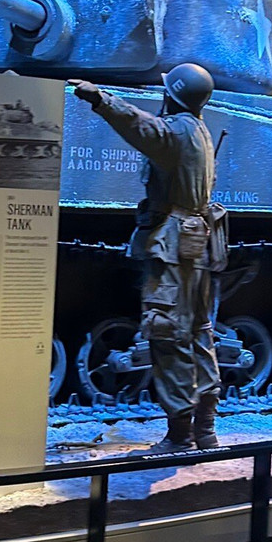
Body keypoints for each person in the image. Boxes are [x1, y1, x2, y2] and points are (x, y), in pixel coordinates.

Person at [69, 64, 223, 452]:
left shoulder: (176, 130)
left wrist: (100, 98)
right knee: (198, 333)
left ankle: (180, 436)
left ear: (172, 94)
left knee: (167, 333)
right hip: (195, 245)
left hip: (172, 249)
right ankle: (205, 431)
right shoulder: (199, 129)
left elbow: (141, 126)